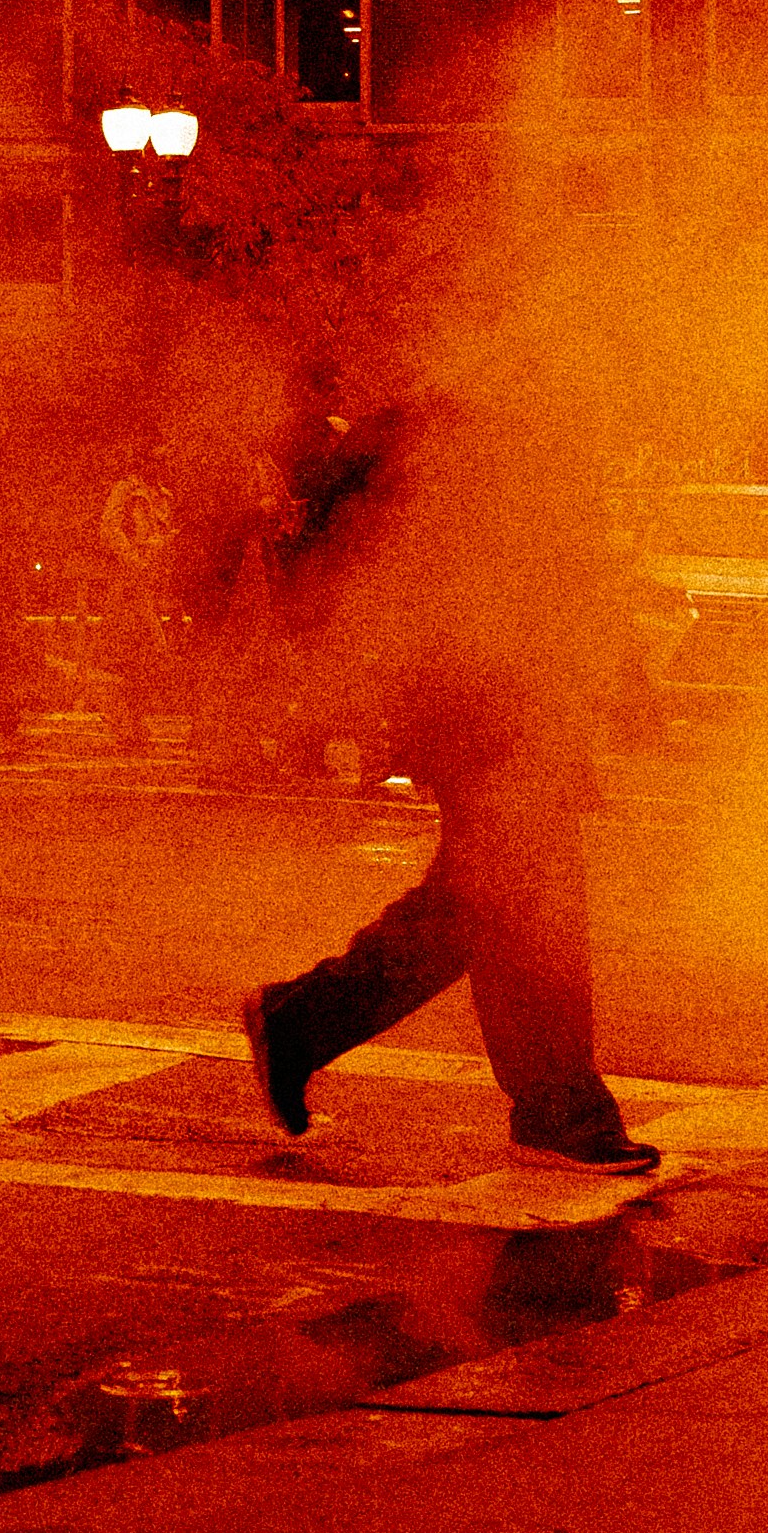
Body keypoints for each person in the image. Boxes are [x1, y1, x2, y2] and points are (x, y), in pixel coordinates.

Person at [238, 378, 656, 1172]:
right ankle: (557, 1105)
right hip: (483, 693)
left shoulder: (492, 413)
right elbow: (506, 567)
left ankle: (303, 1023)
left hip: (508, 690)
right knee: (519, 893)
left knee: (482, 899)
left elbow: (560, 567)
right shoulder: (461, 421)